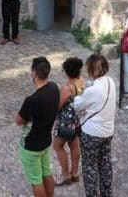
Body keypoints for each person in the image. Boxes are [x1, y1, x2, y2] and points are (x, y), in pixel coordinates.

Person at [15, 57, 59, 197]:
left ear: (33, 73)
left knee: (36, 180)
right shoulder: (54, 88)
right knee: (47, 172)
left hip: (31, 146)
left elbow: (19, 121)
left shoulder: (31, 100)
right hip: (46, 141)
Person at [73, 54, 116, 197]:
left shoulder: (92, 91)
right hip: (108, 132)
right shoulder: (111, 82)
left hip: (91, 134)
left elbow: (77, 105)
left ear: (90, 70)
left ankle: (91, 194)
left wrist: (80, 92)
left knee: (89, 166)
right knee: (105, 163)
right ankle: (106, 192)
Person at [52, 57, 85, 186]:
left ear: (66, 72)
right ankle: (75, 173)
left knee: (58, 146)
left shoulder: (67, 88)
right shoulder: (82, 82)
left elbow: (58, 106)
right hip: (77, 122)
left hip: (65, 124)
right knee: (74, 145)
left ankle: (66, 175)